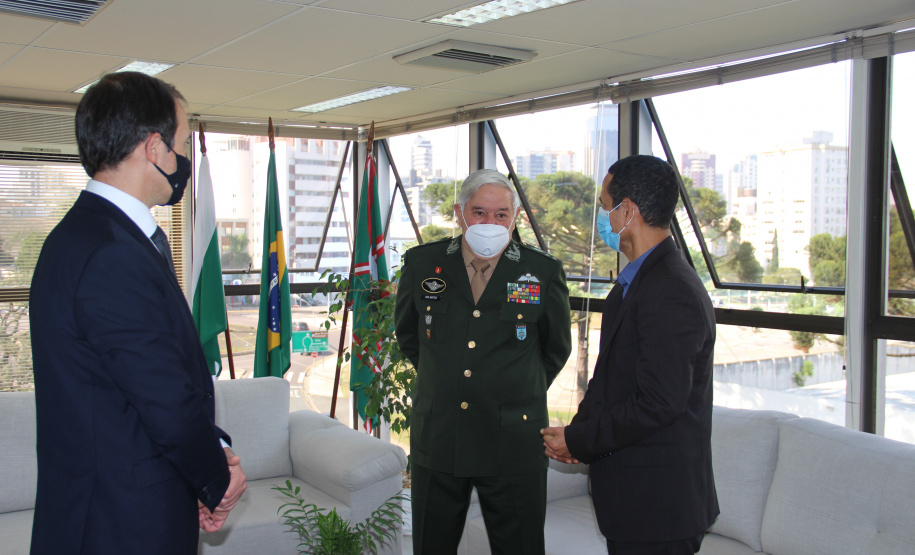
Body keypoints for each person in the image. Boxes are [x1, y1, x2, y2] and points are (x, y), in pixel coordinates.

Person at [29, 72, 246, 554]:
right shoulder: (111, 253)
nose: (183, 158)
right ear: (154, 148)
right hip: (120, 525)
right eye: (182, 143)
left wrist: (211, 451)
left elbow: (124, 390)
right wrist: (215, 477)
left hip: (104, 510)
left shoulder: (81, 237)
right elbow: (164, 397)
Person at [541, 155, 719, 555]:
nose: (602, 217)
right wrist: (575, 437)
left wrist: (581, 439)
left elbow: (658, 403)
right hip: (633, 502)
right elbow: (613, 382)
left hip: (658, 508)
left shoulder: (671, 290)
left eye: (605, 206)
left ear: (628, 211)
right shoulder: (633, 282)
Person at [394, 169, 572, 555]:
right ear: (460, 214)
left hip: (513, 440)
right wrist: (446, 376)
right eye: (479, 212)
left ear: (515, 217)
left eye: (501, 214)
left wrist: (515, 389)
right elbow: (410, 337)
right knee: (431, 545)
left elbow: (555, 348)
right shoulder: (423, 264)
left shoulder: (541, 271)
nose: (490, 223)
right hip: (439, 433)